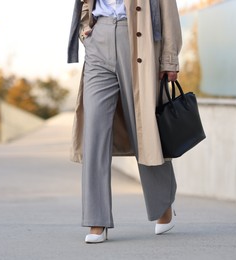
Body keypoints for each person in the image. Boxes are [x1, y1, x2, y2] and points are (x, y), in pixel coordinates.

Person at [67, 0, 182, 243]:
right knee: (94, 133)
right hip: (99, 41)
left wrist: (169, 59)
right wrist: (85, 29)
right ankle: (96, 219)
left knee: (145, 130)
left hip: (139, 40)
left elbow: (167, 9)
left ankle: (163, 206)